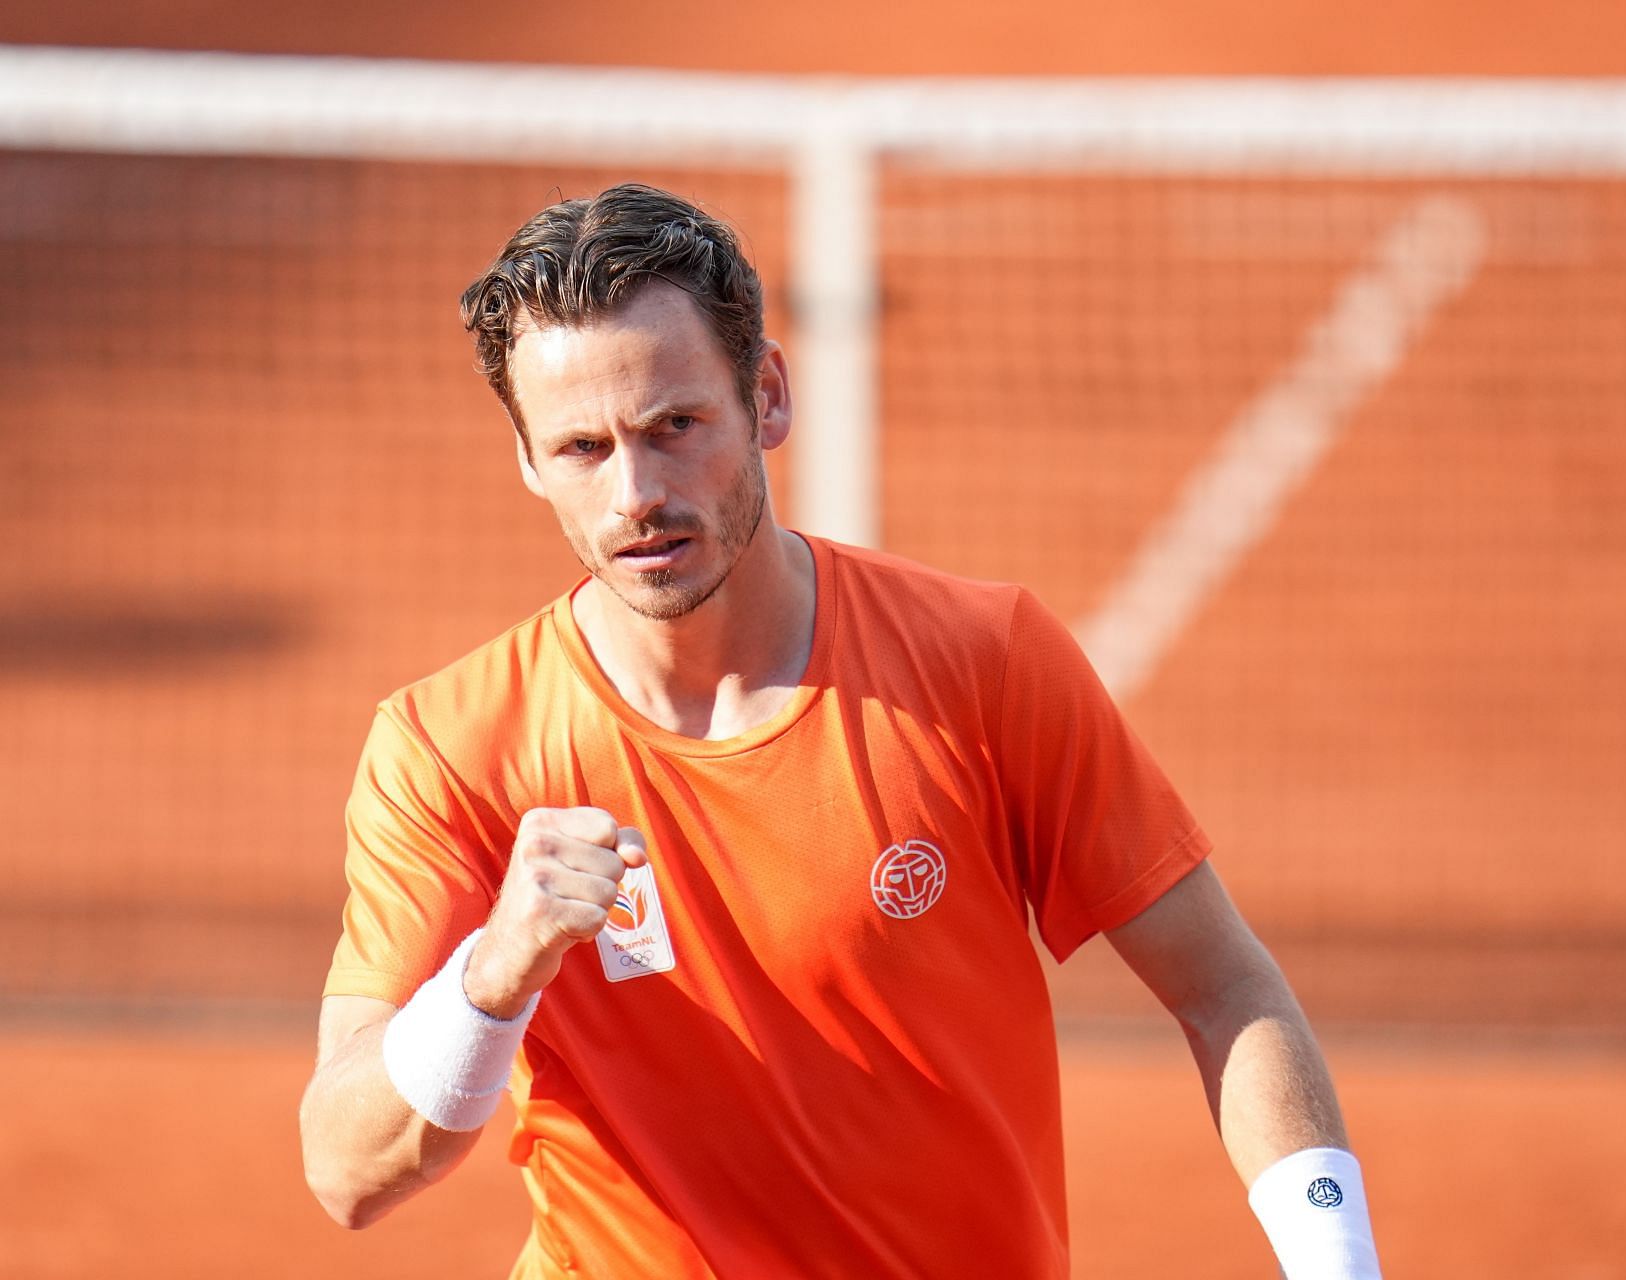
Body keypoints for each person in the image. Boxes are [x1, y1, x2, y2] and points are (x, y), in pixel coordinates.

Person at [298, 182, 1382, 1279]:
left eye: (676, 425)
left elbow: (1225, 986)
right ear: (528, 458)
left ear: (767, 395)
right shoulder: (449, 751)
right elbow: (346, 1168)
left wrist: (1339, 1262)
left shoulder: (981, 659)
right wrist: (492, 974)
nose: (637, 492)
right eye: (582, 447)